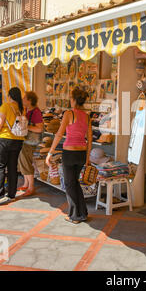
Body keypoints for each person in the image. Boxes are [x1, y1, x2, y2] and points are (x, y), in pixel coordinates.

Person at [46, 87, 92, 224]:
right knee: (74, 182)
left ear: (73, 100)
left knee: (69, 184)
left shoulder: (69, 114)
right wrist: (88, 158)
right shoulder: (87, 117)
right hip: (81, 154)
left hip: (70, 153)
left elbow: (59, 134)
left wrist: (50, 152)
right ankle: (82, 213)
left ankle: (75, 215)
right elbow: (90, 139)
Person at [0, 87, 25, 207]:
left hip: (4, 139)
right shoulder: (21, 109)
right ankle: (11, 194)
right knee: (12, 167)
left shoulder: (6, 106)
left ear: (9, 96)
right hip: (18, 140)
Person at [18, 91, 43, 197]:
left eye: (24, 98)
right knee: (22, 161)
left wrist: (26, 127)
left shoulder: (36, 112)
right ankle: (26, 183)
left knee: (26, 162)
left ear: (29, 100)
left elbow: (40, 128)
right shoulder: (28, 110)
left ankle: (31, 187)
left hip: (31, 142)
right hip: (26, 140)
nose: (22, 99)